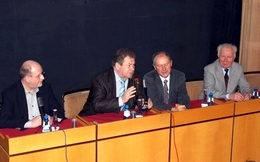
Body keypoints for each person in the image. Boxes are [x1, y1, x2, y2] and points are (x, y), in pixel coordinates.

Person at [79, 48, 152, 116]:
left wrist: (144, 103)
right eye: (129, 65)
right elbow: (97, 105)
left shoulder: (136, 77)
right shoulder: (100, 80)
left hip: (123, 119)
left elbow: (139, 96)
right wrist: (121, 100)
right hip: (94, 119)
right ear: (117, 66)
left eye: (133, 65)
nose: (132, 69)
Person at [0, 60, 64, 130]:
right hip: (23, 135)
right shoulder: (10, 93)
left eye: (42, 74)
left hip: (45, 132)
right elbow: (3, 121)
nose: (43, 77)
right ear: (27, 78)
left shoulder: (45, 88)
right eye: (38, 76)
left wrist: (52, 119)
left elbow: (59, 112)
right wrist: (30, 123)